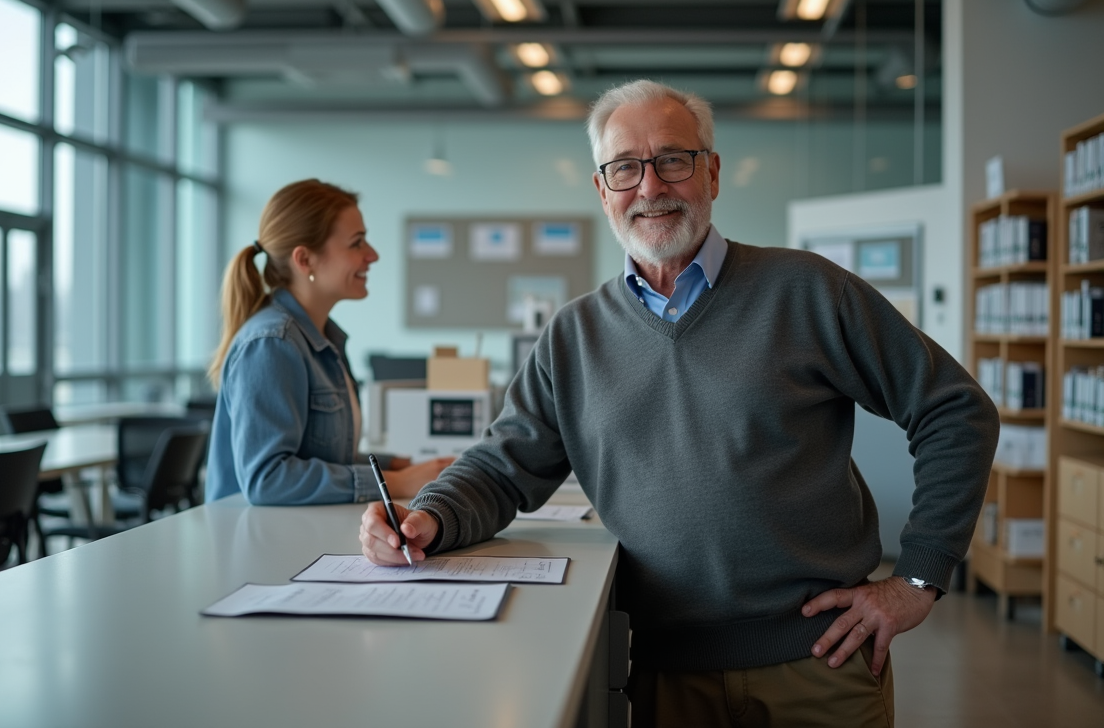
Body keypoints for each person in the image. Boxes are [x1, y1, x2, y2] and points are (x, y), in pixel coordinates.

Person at [359, 81, 998, 726]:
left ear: (712, 173)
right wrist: (429, 519)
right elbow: (501, 468)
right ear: (602, 188)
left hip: (820, 664)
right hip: (664, 675)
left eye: (673, 159)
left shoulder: (806, 291)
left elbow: (954, 410)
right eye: (626, 167)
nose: (650, 186)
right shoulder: (574, 336)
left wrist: (917, 578)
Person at [205, 179, 450, 506]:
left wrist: (398, 466)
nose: (373, 255)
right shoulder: (272, 343)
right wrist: (394, 482)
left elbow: (324, 457)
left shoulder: (323, 338)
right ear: (304, 260)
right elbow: (269, 479)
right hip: (257, 543)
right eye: (357, 243)